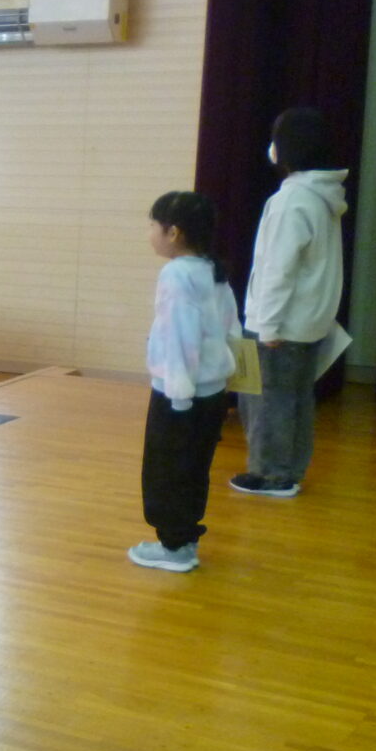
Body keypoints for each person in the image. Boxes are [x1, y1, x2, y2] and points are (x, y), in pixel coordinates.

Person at [233, 107, 351, 499]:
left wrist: (266, 325)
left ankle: (271, 474)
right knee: (296, 398)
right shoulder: (323, 196)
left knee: (266, 401)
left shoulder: (292, 200)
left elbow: (278, 270)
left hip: (279, 324)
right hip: (309, 324)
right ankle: (288, 470)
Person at [130, 192, 240, 573]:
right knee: (194, 468)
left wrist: (178, 398)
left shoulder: (176, 274)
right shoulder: (213, 269)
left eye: (152, 225)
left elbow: (179, 337)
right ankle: (185, 539)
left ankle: (173, 547)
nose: (149, 233)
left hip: (180, 396)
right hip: (211, 393)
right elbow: (232, 331)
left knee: (166, 470)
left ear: (173, 232)